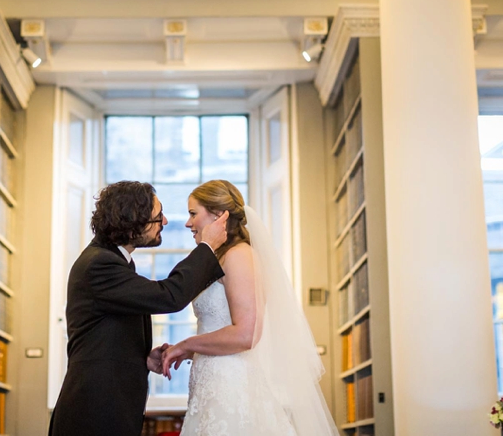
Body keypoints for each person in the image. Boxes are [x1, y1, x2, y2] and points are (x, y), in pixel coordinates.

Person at [48, 180, 228, 436]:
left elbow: (106, 336)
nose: (165, 222)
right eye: (158, 217)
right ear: (132, 224)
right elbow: (170, 296)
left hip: (105, 410)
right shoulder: (100, 265)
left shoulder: (113, 261)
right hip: (93, 414)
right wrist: (206, 248)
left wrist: (141, 357)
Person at [161, 180, 338, 436]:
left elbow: (247, 333)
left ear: (219, 215)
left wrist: (187, 344)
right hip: (211, 381)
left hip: (232, 384)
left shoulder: (239, 256)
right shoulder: (217, 259)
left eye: (192, 213)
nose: (188, 223)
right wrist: (187, 350)